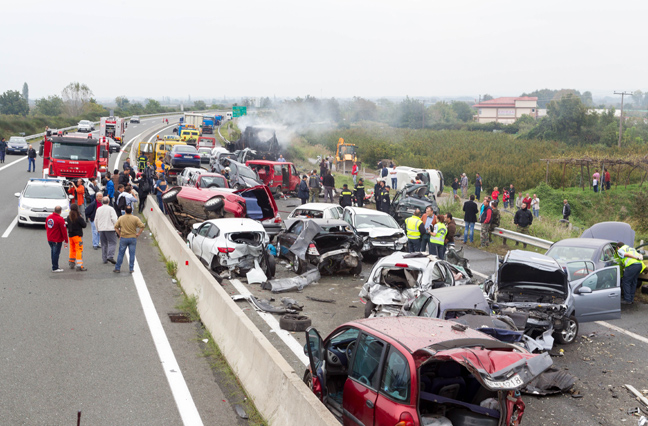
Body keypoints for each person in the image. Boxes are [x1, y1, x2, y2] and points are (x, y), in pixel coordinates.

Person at [113, 206, 146, 274]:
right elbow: (142, 226)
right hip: (132, 237)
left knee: (121, 253)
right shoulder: (135, 218)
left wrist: (119, 234)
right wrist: (138, 233)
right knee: (132, 254)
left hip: (123, 237)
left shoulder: (121, 218)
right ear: (131, 211)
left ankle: (117, 268)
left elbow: (116, 227)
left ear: (125, 211)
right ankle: (131, 268)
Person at [95, 196, 118, 264]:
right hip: (110, 228)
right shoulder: (111, 209)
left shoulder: (98, 209)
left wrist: (97, 228)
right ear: (108, 202)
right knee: (112, 242)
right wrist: (117, 227)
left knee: (104, 244)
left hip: (101, 228)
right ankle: (110, 256)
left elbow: (96, 219)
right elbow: (114, 219)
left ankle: (104, 258)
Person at [46, 206, 68, 272]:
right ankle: (55, 267)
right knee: (56, 253)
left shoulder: (49, 217)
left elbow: (46, 226)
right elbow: (64, 230)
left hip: (49, 238)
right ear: (60, 211)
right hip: (56, 239)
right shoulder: (60, 219)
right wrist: (66, 240)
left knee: (53, 252)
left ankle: (54, 265)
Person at [67, 204, 87, 271]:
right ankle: (79, 265)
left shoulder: (68, 217)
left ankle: (71, 262)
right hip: (77, 236)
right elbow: (84, 225)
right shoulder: (78, 218)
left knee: (72, 249)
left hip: (70, 236)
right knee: (79, 250)